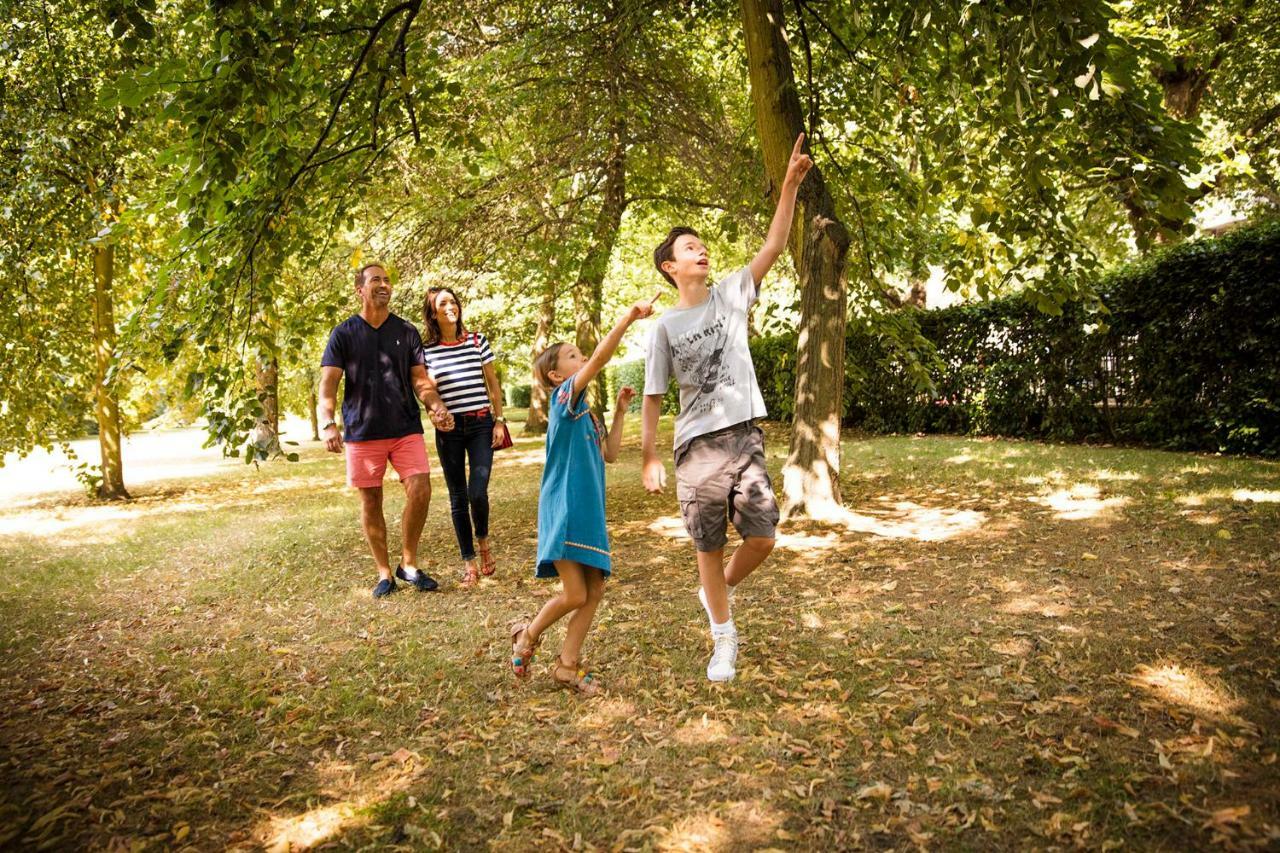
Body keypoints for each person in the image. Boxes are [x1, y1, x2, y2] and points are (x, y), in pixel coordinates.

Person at [641, 133, 813, 681]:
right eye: (690, 248)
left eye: (702, 245)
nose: (702, 250)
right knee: (708, 547)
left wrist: (787, 186)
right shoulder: (665, 327)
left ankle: (714, 594)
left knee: (762, 537)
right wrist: (648, 455)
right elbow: (652, 396)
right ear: (670, 267)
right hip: (696, 449)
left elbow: (775, 245)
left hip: (744, 435)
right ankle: (723, 638)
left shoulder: (731, 294)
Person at [508, 294, 659, 694]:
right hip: (565, 508)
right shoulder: (563, 401)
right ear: (557, 376)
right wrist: (628, 316)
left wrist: (621, 412)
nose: (582, 359)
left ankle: (567, 665)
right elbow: (601, 361)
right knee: (575, 592)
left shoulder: (586, 413)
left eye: (579, 355)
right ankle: (528, 634)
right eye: (573, 356)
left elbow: (609, 455)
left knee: (594, 589)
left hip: (588, 510)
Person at [318, 263, 456, 598]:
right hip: (362, 432)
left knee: (421, 489)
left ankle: (408, 565)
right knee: (371, 500)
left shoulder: (406, 332)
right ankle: (384, 572)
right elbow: (328, 385)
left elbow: (421, 381)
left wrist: (435, 406)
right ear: (360, 290)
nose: (383, 285)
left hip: (405, 427)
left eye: (387, 280)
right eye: (375, 280)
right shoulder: (344, 334)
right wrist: (327, 422)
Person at [420, 287, 510, 587]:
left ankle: (483, 541)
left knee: (477, 491)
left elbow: (492, 384)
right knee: (457, 496)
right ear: (433, 313)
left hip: (481, 424)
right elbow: (427, 390)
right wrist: (435, 412)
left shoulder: (477, 340)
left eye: (453, 301)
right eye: (442, 303)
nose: (450, 306)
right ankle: (469, 561)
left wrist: (499, 421)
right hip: (450, 431)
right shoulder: (426, 351)